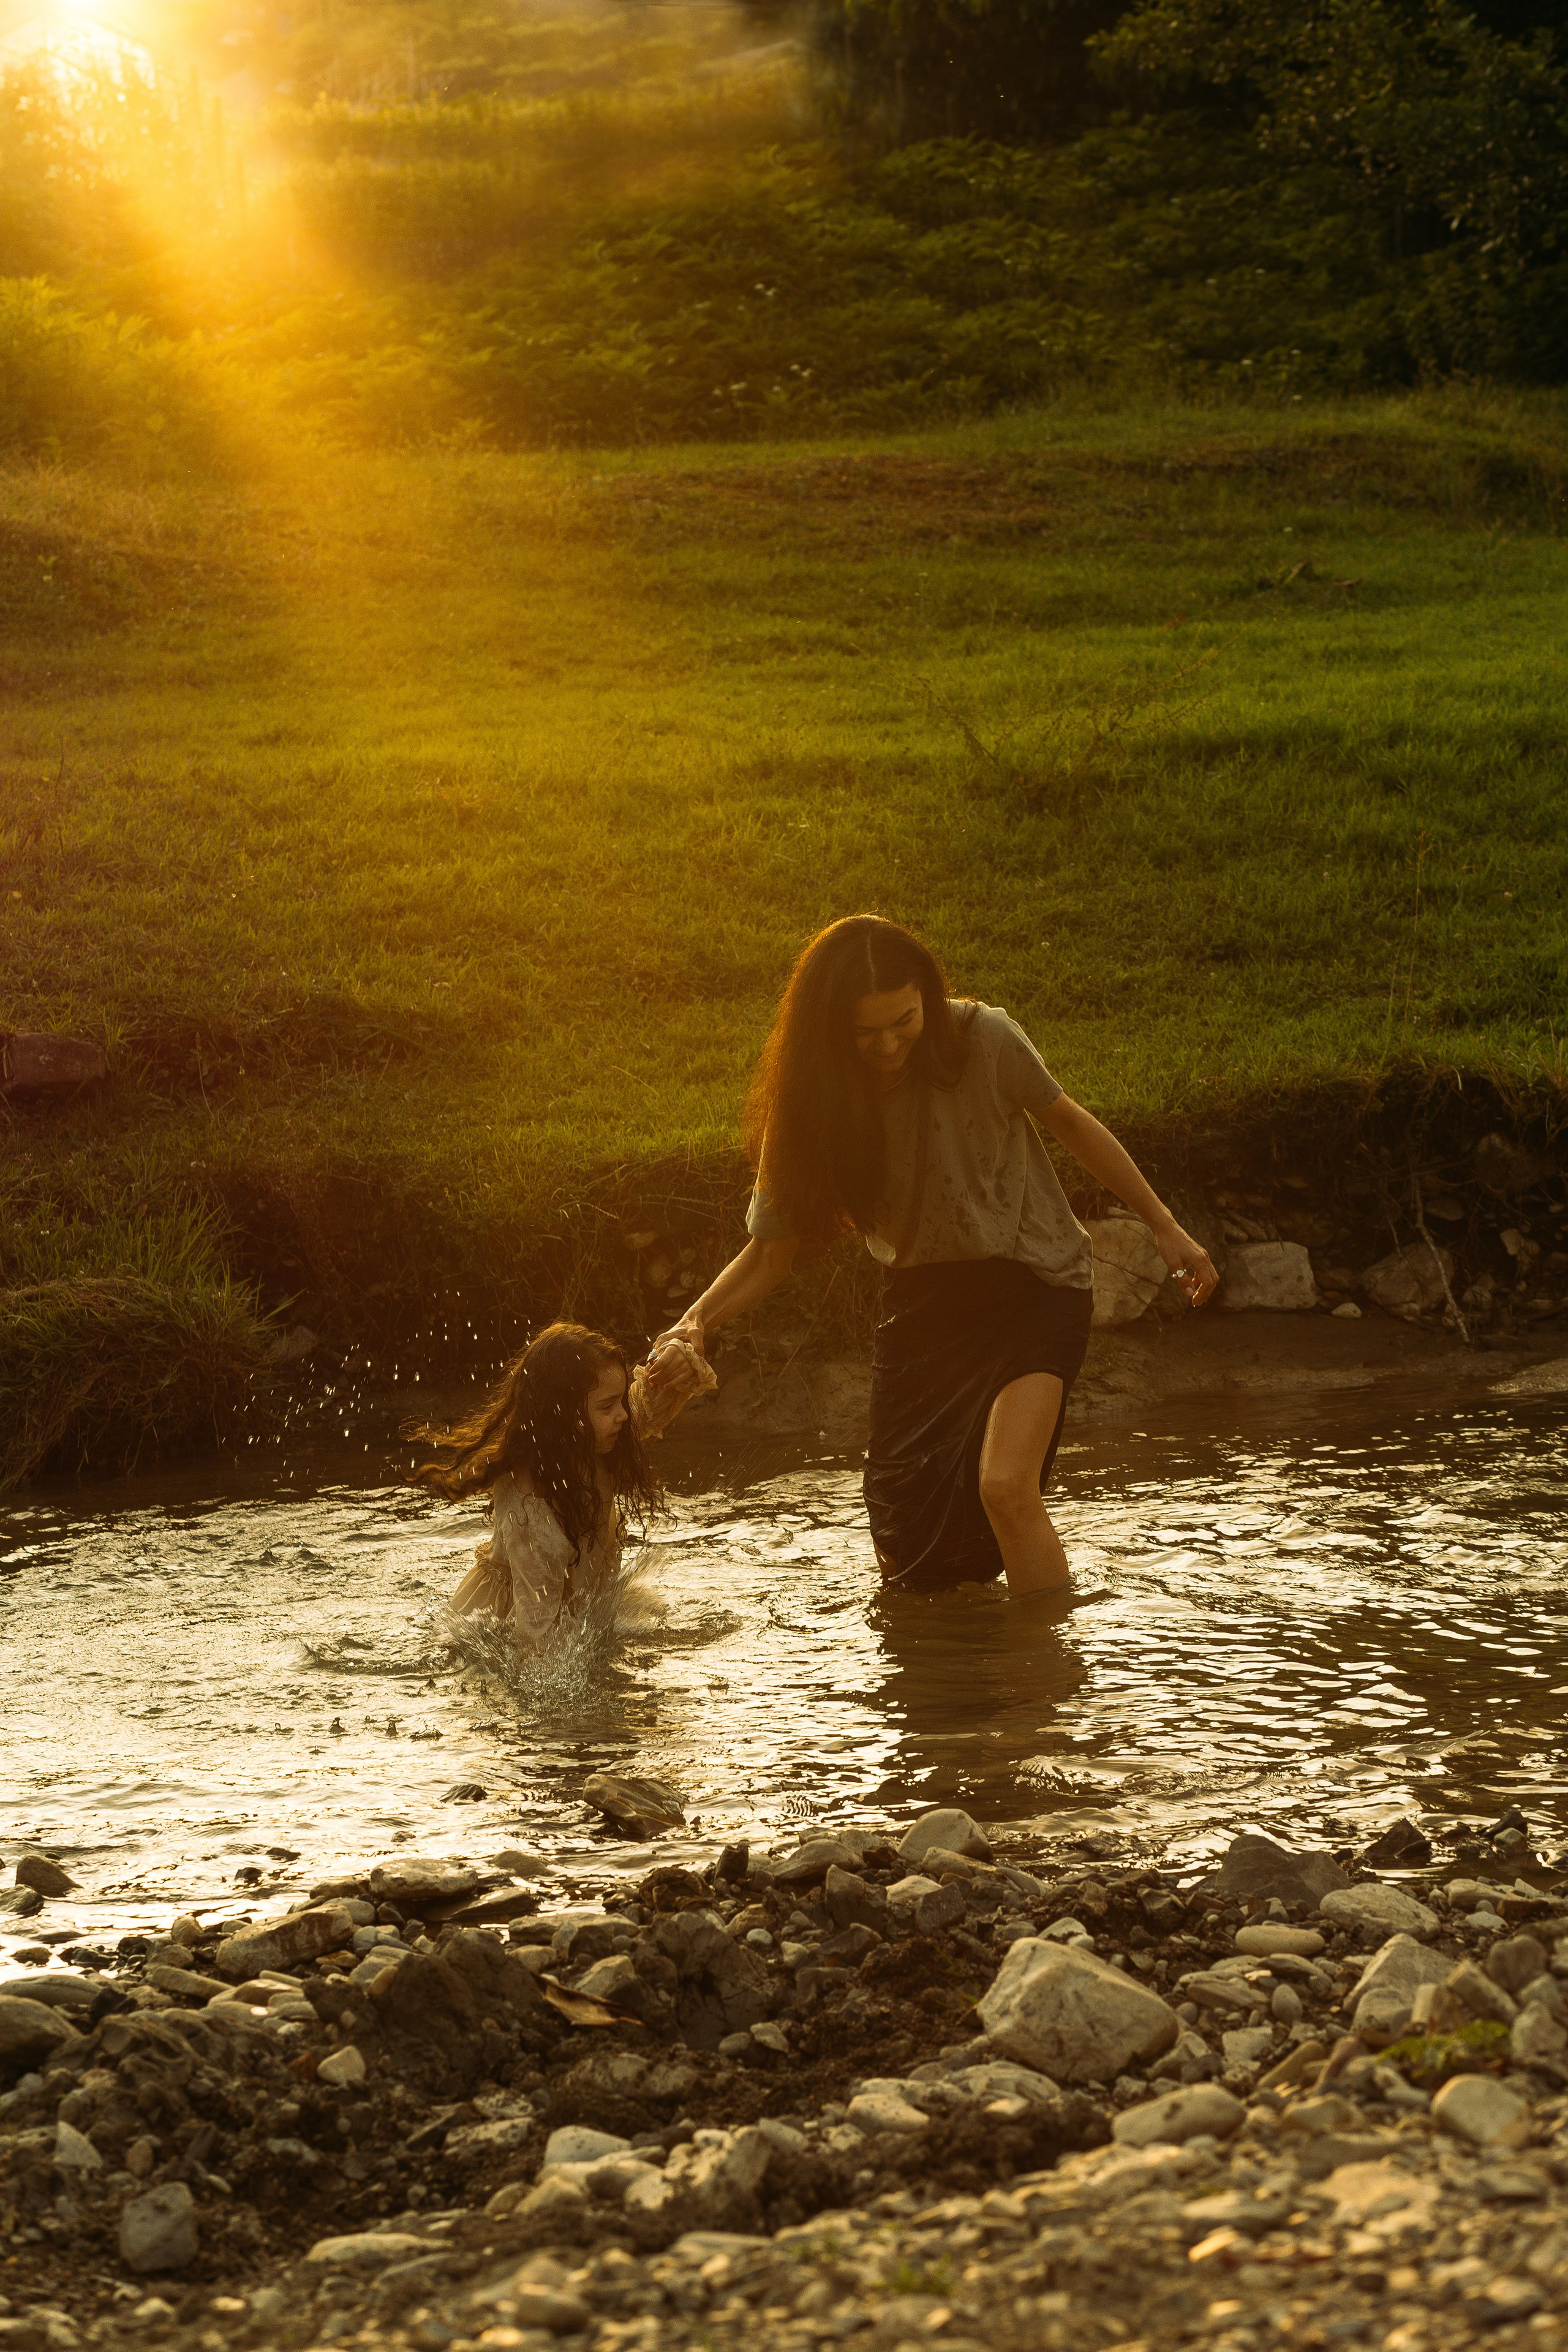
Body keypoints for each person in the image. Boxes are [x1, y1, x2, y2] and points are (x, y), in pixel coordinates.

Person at [652, 915, 1218, 1599]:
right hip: (925, 1304)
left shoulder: (984, 1038)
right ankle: (941, 1689)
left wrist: (1164, 1227)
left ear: (927, 994)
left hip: (1036, 1282)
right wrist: (695, 1322)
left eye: (904, 1020)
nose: (888, 1044)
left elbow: (1069, 1122)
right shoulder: (809, 1103)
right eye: (865, 1032)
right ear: (829, 1030)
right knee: (902, 1537)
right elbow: (771, 1254)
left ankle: (1045, 1677)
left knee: (1005, 1487)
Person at [411, 1322, 714, 1651]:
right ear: (564, 1416)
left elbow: (658, 1392)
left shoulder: (600, 1436)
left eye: (621, 1401)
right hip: (504, 1618)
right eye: (608, 1406)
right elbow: (536, 1637)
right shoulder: (530, 1504)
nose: (624, 1415)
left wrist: (675, 1354)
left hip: (571, 1599)